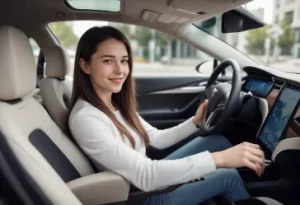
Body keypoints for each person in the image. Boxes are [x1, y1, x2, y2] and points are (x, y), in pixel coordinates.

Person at [68, 26, 265, 205]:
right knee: (227, 175)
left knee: (216, 140)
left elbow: (156, 139)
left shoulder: (113, 103)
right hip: (141, 196)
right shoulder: (87, 118)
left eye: (124, 60)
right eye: (108, 61)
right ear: (85, 66)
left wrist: (195, 122)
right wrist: (221, 160)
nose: (120, 70)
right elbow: (146, 175)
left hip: (146, 178)